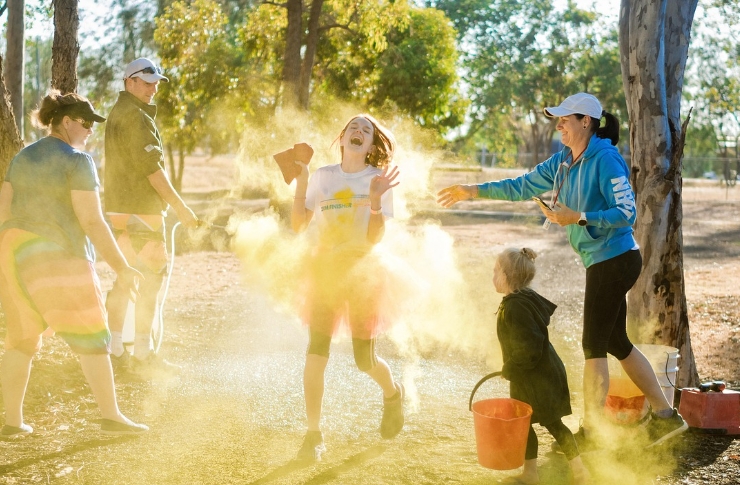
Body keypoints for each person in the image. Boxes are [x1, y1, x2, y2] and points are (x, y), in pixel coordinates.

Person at [437, 93, 688, 449]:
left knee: (593, 346)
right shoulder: (562, 162)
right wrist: (472, 191)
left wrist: (579, 217)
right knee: (617, 342)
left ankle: (591, 433)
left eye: (565, 119)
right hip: (602, 262)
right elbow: (521, 185)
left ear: (586, 121)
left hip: (615, 260)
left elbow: (627, 213)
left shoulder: (606, 159)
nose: (558, 125)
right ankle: (666, 417)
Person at [0, 91, 148, 436]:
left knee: (22, 340)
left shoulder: (22, 157)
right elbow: (92, 222)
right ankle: (112, 417)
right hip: (59, 255)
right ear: (66, 122)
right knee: (92, 336)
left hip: (16, 255)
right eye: (85, 124)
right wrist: (123, 267)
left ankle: (12, 422)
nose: (90, 131)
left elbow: (4, 210)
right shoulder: (76, 161)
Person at [290, 114, 404, 461]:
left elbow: (373, 240)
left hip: (362, 273)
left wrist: (374, 201)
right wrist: (302, 182)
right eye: (353, 127)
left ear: (371, 145)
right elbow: (298, 226)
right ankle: (313, 434)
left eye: (366, 130)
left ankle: (392, 393)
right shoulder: (323, 176)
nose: (359, 131)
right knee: (316, 352)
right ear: (342, 138)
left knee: (363, 359)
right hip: (325, 271)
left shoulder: (377, 180)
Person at [103, 58, 198, 376]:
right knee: (150, 280)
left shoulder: (120, 112)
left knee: (125, 278)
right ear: (129, 82)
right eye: (146, 82)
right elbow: (152, 170)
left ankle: (117, 350)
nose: (153, 87)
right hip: (140, 211)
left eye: (156, 82)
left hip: (120, 209)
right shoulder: (136, 116)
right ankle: (140, 353)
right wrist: (181, 207)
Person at [493, 248, 589, 485]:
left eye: (495, 271)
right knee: (525, 424)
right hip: (532, 377)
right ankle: (532, 474)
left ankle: (580, 474)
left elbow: (530, 347)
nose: (492, 276)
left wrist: (511, 368)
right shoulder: (518, 301)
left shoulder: (517, 307)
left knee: (552, 424)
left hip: (539, 379)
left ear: (507, 276)